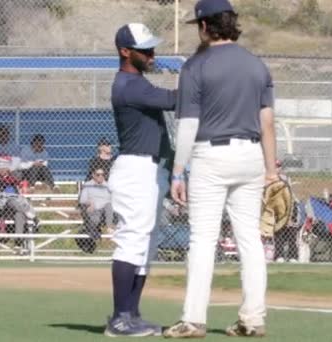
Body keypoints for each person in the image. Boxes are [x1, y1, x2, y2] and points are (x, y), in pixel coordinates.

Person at [164, 0, 277, 337]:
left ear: (204, 26)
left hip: (210, 156)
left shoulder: (196, 66)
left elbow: (188, 123)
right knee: (250, 241)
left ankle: (194, 319)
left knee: (202, 240)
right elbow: (267, 123)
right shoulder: (257, 66)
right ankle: (253, 319)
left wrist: (177, 171)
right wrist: (272, 171)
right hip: (252, 155)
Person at [103, 23, 176, 337]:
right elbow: (175, 99)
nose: (151, 54)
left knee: (145, 245)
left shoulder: (136, 82)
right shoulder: (130, 85)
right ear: (125, 51)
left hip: (149, 169)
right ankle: (120, 318)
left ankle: (131, 314)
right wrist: (204, 79)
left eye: (151, 48)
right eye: (145, 50)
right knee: (132, 240)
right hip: (135, 170)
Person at [79, 168, 114, 239]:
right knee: (95, 216)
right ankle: (92, 231)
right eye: (98, 175)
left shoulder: (107, 186)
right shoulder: (88, 185)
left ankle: (109, 228)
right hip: (93, 208)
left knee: (109, 205)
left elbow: (111, 199)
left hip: (105, 210)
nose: (101, 176)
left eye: (102, 175)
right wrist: (90, 203)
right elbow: (82, 200)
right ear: (93, 175)